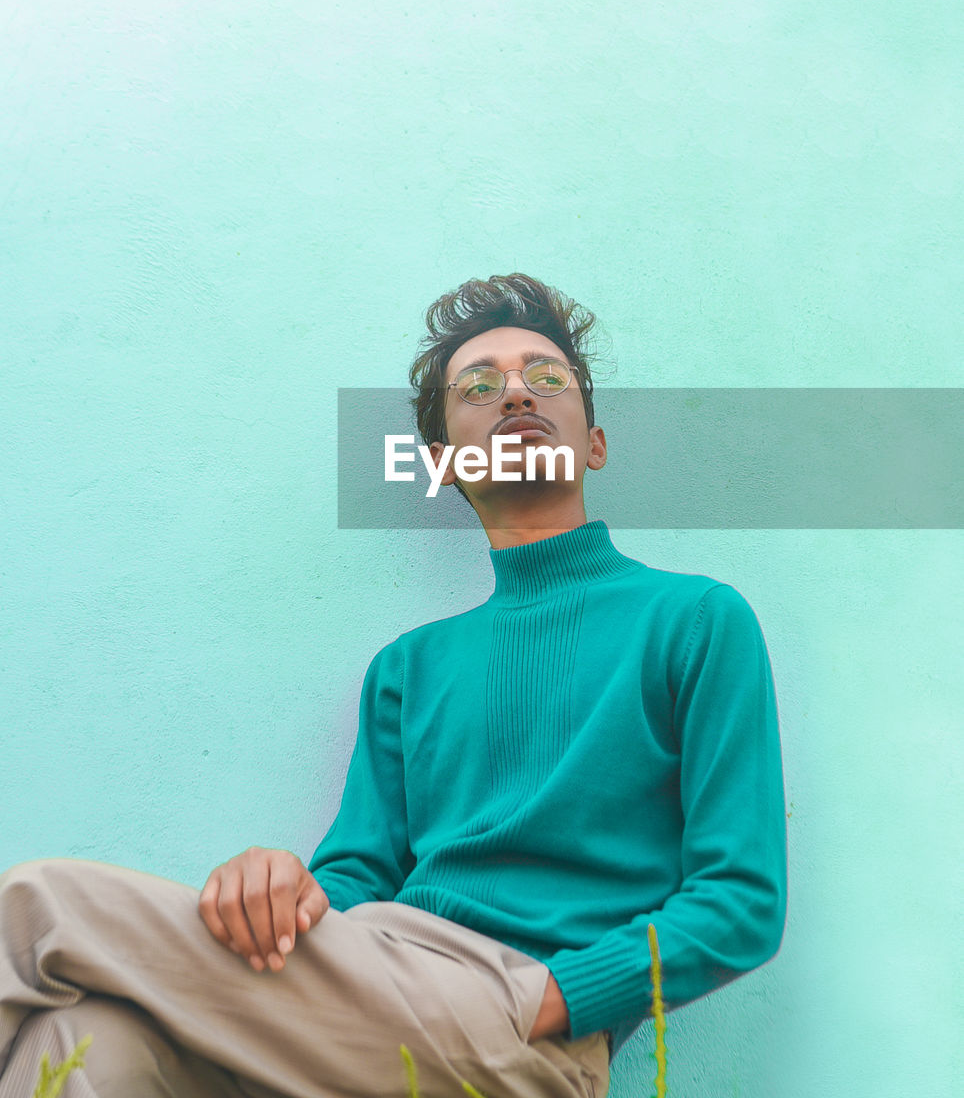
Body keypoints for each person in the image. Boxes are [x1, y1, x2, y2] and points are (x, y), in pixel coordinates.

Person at [0, 273, 788, 1098]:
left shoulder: (695, 619)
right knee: (85, 1036)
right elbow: (352, 881)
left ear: (593, 443)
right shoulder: (409, 669)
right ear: (444, 462)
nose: (516, 392)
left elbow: (738, 900)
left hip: (521, 1021)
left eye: (547, 377)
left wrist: (553, 1000)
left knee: (36, 906)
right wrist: (280, 884)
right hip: (367, 987)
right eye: (478, 386)